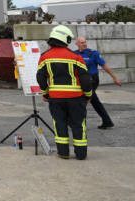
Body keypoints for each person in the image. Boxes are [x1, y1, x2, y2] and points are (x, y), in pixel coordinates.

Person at [36, 25, 92, 160]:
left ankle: (63, 153)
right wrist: (88, 95)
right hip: (76, 98)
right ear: (64, 39)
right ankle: (81, 154)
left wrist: (45, 93)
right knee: (78, 125)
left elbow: (40, 77)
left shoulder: (44, 57)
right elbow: (85, 79)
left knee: (59, 124)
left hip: (55, 99)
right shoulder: (76, 57)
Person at [74, 36, 122, 129]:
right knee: (94, 101)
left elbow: (105, 66)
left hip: (92, 80)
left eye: (85, 42)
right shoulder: (74, 54)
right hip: (81, 80)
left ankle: (79, 124)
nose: (84, 44)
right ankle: (107, 121)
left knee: (83, 101)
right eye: (81, 42)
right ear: (77, 44)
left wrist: (115, 78)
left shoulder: (93, 54)